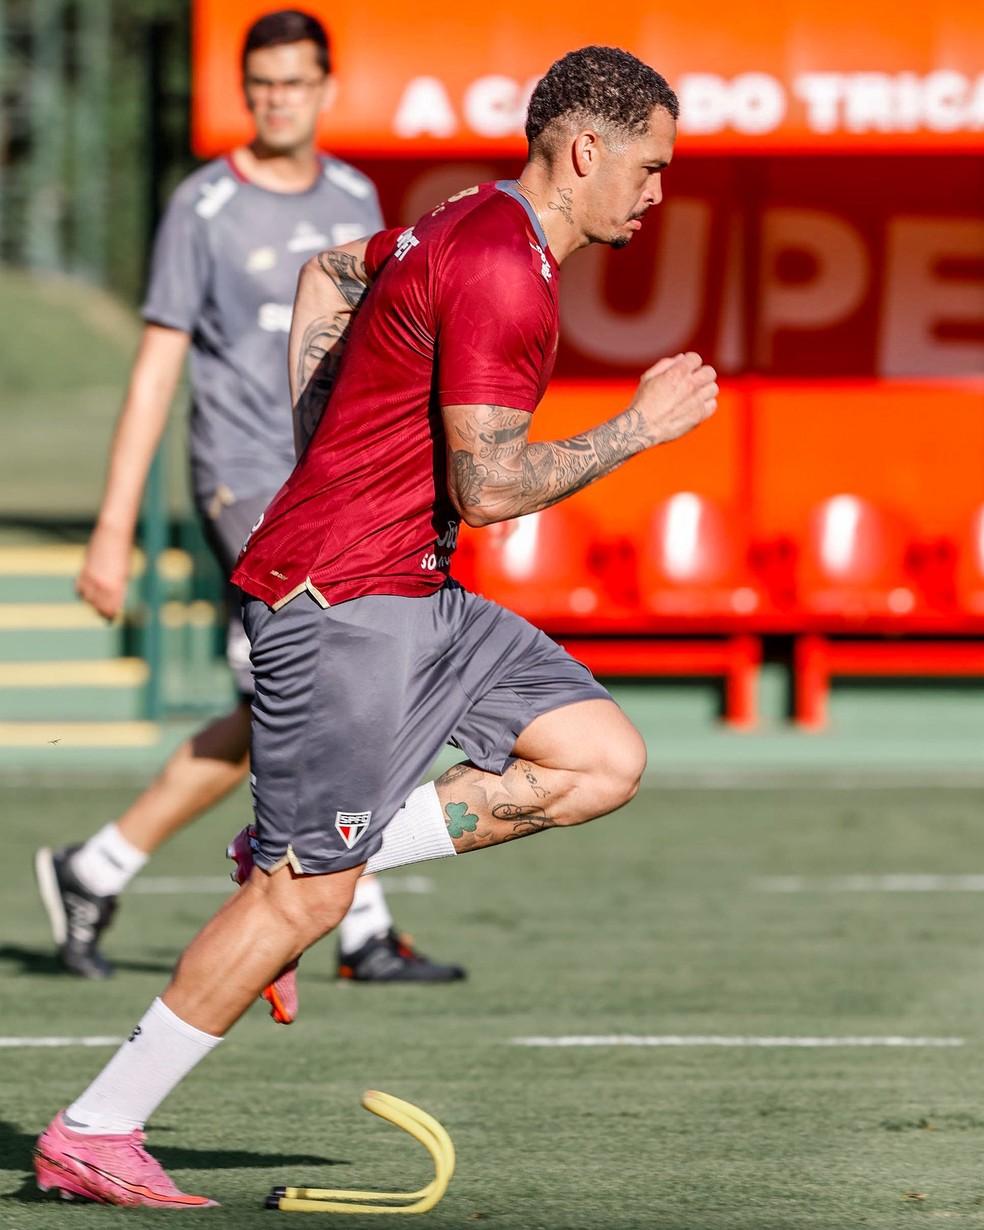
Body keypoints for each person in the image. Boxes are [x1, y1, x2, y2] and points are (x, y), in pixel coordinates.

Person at [34, 45, 718, 1209]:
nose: (658, 191)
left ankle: (296, 851)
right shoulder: (504, 267)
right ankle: (96, 1128)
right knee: (310, 900)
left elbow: (328, 273)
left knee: (599, 757)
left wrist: (323, 451)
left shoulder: (466, 218)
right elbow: (489, 489)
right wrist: (641, 429)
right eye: (648, 166)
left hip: (412, 589)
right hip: (346, 601)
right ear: (585, 148)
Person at [33, 9, 465, 1003]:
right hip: (242, 483)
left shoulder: (355, 194)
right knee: (330, 689)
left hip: (335, 488)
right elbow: (155, 372)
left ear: (324, 88)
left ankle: (94, 869)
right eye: (261, 84)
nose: (278, 100)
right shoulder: (205, 206)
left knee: (283, 705)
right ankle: (356, 925)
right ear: (246, 91)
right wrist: (111, 529)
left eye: (294, 83)